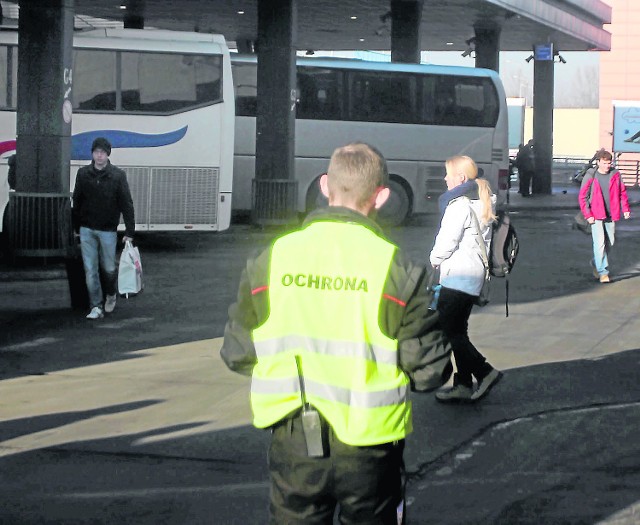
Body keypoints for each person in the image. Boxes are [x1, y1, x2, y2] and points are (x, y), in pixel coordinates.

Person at [221, 142, 450, 524]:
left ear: (326, 186)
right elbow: (430, 372)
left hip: (293, 435)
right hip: (370, 442)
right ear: (382, 196)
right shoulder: (399, 270)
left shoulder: (272, 258)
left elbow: (237, 352)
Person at [429, 155, 503, 403]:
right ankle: (462, 384)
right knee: (458, 330)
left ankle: (484, 372)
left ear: (460, 177)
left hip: (458, 277)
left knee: (449, 330)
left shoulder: (459, 205)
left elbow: (447, 242)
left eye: (448, 174)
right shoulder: (482, 200)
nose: (445, 178)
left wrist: (434, 258)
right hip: (474, 277)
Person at [72, 137, 135, 319]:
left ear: (108, 154)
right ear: (92, 154)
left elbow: (126, 203)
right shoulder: (83, 174)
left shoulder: (117, 176)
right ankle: (96, 306)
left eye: (102, 152)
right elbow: (77, 200)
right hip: (86, 229)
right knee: (90, 270)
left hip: (108, 230)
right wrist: (76, 226)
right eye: (96, 152)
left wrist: (129, 231)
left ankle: (111, 294)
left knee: (108, 268)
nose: (99, 155)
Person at [578, 148, 630, 283]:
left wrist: (625, 208)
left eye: (609, 163)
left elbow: (622, 193)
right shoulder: (591, 175)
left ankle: (596, 261)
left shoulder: (616, 174)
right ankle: (603, 272)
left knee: (610, 242)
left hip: (611, 213)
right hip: (595, 214)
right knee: (599, 243)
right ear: (599, 162)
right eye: (605, 163)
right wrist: (587, 214)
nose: (607, 166)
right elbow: (583, 196)